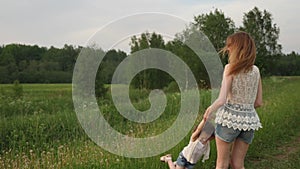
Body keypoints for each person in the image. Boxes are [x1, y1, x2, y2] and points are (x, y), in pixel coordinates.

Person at [203, 31, 263, 169]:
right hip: (249, 122)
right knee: (238, 164)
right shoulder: (256, 70)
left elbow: (222, 100)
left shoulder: (230, 68)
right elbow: (258, 102)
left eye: (230, 46)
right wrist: (245, 109)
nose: (228, 49)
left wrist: (209, 110)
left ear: (237, 48)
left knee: (222, 163)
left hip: (228, 121)